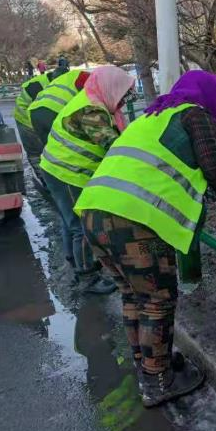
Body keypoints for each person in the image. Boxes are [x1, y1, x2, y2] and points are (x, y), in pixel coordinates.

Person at [74, 70, 216, 408]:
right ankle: (157, 381)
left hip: (94, 212)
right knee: (156, 299)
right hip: (133, 222)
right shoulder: (195, 114)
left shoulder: (151, 116)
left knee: (133, 294)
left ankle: (150, 365)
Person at [39, 65, 134, 294]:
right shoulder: (92, 112)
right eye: (123, 94)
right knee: (81, 226)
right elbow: (113, 147)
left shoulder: (93, 97)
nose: (124, 101)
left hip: (56, 169)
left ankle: (73, 260)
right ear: (111, 88)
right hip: (67, 174)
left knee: (69, 221)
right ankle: (87, 278)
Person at [14, 58, 71, 172]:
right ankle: (42, 176)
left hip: (36, 115)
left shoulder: (55, 83)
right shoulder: (37, 86)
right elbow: (42, 113)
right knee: (37, 152)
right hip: (25, 119)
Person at [29, 67, 90, 146]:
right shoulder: (82, 76)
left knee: (50, 149)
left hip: (34, 113)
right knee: (66, 147)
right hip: (54, 112)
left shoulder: (57, 82)